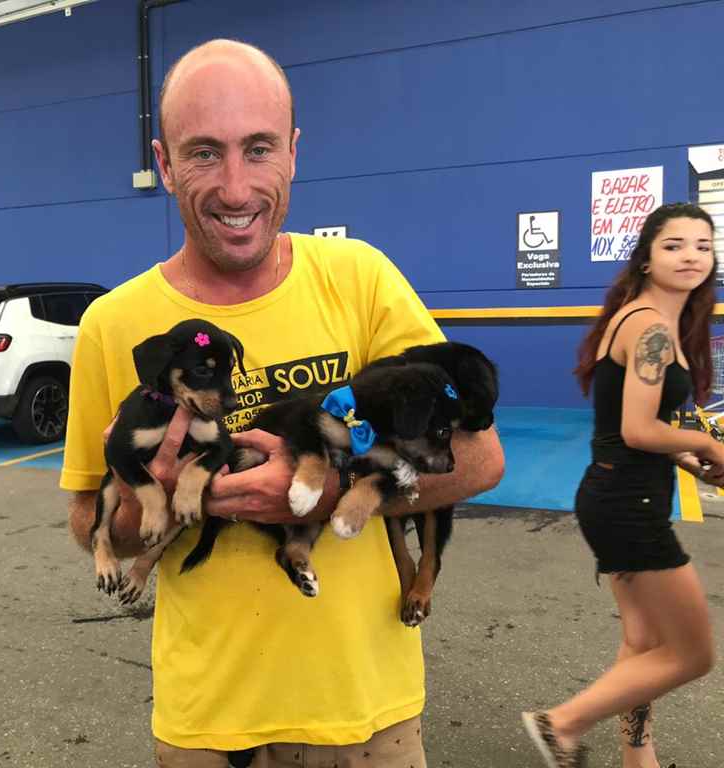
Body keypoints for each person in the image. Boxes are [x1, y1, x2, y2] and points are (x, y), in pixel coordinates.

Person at [61, 39, 504, 767]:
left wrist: (326, 492)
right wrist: (153, 501)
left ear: (293, 152)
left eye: (259, 149)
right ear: (164, 163)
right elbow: (89, 519)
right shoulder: (113, 325)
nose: (236, 189)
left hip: (367, 718)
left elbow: (479, 460)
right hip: (207, 721)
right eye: (205, 153)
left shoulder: (361, 279)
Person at [522, 203, 720, 768]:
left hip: (618, 495)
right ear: (646, 259)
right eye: (674, 245)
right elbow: (637, 430)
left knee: (644, 643)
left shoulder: (651, 320)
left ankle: (639, 760)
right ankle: (561, 725)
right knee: (692, 655)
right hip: (627, 506)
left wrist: (686, 460)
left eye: (703, 246)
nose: (690, 256)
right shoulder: (650, 326)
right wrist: (708, 446)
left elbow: (623, 431)